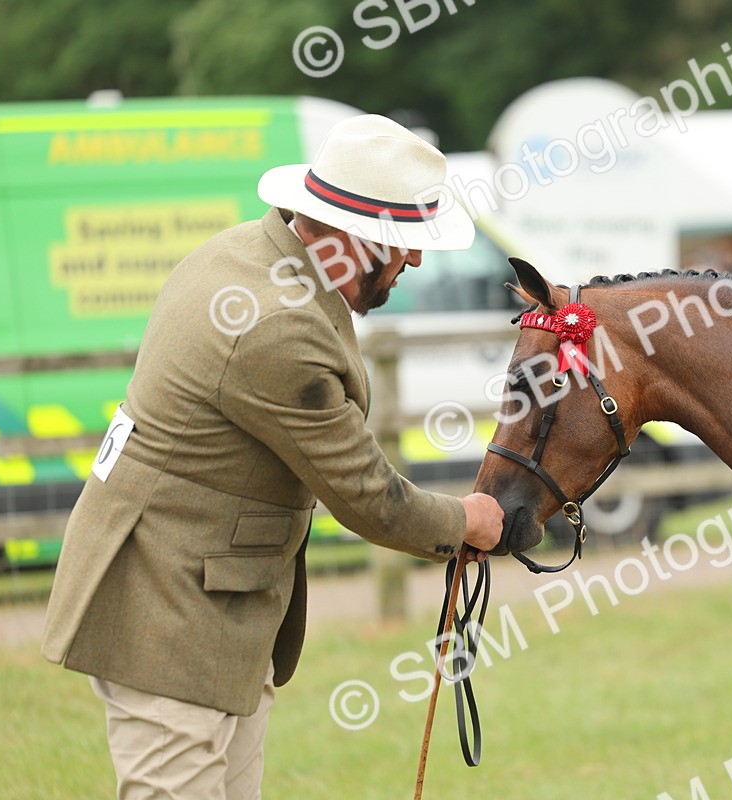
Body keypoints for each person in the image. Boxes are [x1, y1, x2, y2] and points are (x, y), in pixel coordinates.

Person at [40, 114, 505, 800]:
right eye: (405, 243)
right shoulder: (278, 327)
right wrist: (467, 520)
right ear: (356, 239)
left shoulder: (240, 253)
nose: (415, 261)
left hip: (208, 609)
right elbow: (368, 496)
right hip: (169, 617)